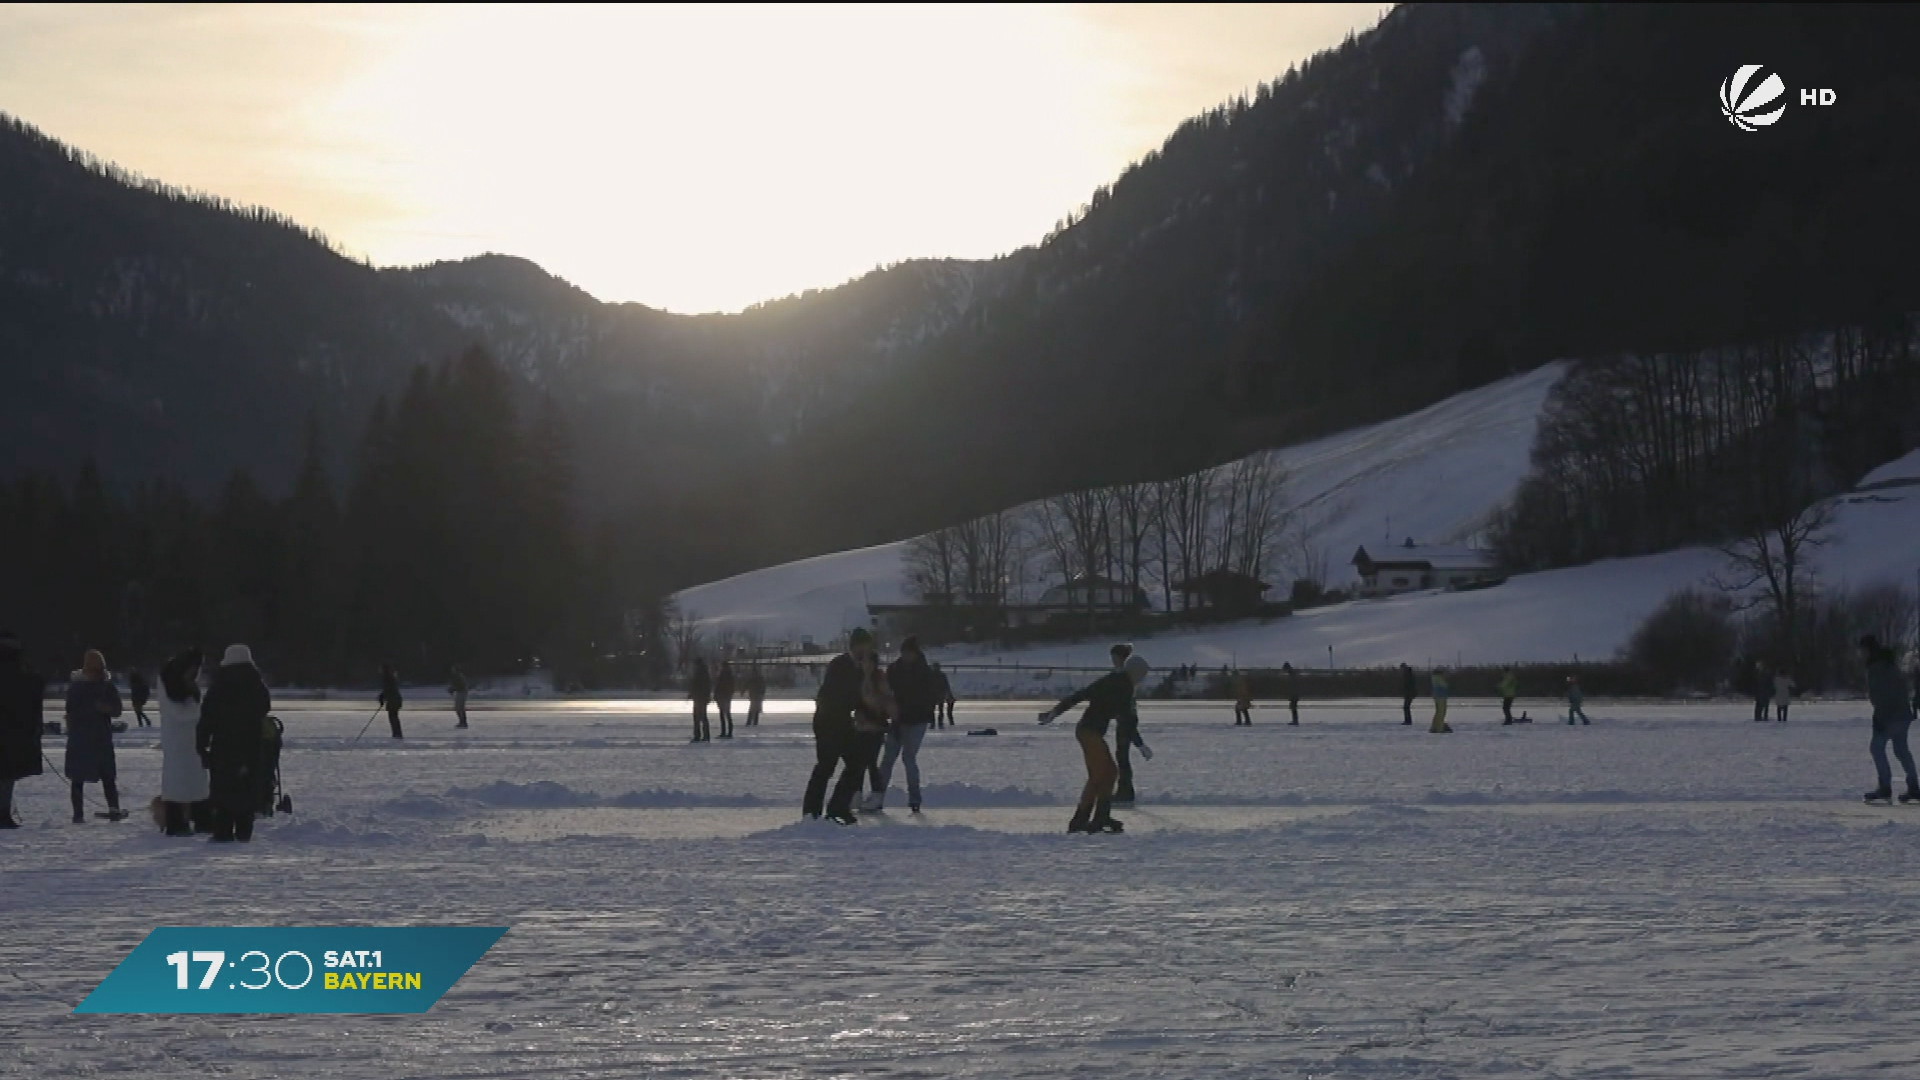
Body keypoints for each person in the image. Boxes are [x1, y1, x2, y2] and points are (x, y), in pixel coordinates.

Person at [1041, 651, 1149, 834]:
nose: (1142, 681)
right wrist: (1140, 744)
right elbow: (1126, 719)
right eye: (1142, 676)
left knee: (1110, 772)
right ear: (1136, 673)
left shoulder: (1115, 681)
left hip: (1091, 733)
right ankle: (1081, 819)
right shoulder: (1122, 686)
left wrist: (1056, 711)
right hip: (1088, 732)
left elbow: (1082, 695)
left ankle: (1101, 816)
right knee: (1100, 774)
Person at [803, 629, 885, 824]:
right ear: (855, 646)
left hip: (843, 723)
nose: (866, 650)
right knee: (826, 766)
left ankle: (838, 808)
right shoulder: (840, 665)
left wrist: (873, 718)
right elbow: (843, 696)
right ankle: (811, 812)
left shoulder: (861, 668)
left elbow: (863, 698)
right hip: (827, 722)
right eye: (863, 645)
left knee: (857, 763)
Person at [198, 644, 270, 842]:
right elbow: (265, 707)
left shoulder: (218, 686)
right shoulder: (257, 684)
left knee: (224, 788)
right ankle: (244, 829)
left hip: (224, 745)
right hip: (251, 745)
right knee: (247, 786)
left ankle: (223, 830)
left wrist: (201, 744)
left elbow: (206, 718)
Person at [875, 636, 934, 812]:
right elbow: (886, 693)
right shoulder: (894, 669)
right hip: (898, 720)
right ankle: (878, 796)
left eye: (910, 653)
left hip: (917, 721)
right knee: (887, 760)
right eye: (904, 652)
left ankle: (914, 799)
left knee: (908, 758)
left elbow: (929, 696)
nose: (907, 656)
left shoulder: (924, 671)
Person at [64, 650, 124, 822]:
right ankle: (78, 814)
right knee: (78, 777)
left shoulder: (107, 687)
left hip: (101, 738)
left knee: (108, 776)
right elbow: (70, 710)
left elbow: (118, 709)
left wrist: (107, 709)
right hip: (80, 738)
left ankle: (114, 809)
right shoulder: (76, 688)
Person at [157, 648, 211, 836]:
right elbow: (179, 713)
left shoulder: (184, 684)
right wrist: (198, 711)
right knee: (178, 781)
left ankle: (200, 817)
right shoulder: (167, 684)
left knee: (195, 779)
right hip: (177, 739)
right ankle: (177, 821)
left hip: (191, 738)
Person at [1862, 636, 1918, 803]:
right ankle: (1914, 787)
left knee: (1876, 748)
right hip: (1902, 714)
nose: (1860, 654)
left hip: (1889, 715)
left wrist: (1881, 717)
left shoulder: (1876, 668)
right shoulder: (1890, 665)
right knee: (1901, 750)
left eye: (1862, 650)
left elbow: (1880, 695)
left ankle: (1885, 787)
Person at [0, 631, 46, 829]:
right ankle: (3, 814)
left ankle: (3, 813)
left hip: (11, 731)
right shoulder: (22, 675)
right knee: (7, 776)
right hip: (13, 734)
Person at [1104, 643, 1149, 810]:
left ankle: (1126, 791)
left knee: (1122, 756)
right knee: (1121, 755)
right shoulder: (1123, 674)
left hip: (1126, 717)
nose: (1113, 661)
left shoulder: (1127, 674)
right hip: (1123, 716)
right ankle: (1124, 790)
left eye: (1115, 658)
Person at [857, 650, 896, 808]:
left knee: (870, 761)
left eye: (868, 661)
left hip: (876, 726)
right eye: (863, 661)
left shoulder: (879, 679)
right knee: (859, 761)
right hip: (862, 726)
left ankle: (877, 795)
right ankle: (857, 794)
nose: (865, 665)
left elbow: (885, 702)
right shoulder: (860, 678)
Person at [688, 659, 712, 743]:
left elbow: (697, 685)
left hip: (700, 698)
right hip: (701, 698)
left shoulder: (700, 673)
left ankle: (699, 735)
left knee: (698, 717)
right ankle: (705, 735)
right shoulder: (703, 673)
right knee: (701, 717)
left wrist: (693, 693)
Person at [378, 664, 404, 739]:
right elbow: (388, 690)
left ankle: (397, 734)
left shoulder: (387, 678)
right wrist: (382, 697)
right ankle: (397, 733)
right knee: (393, 717)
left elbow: (389, 690)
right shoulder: (389, 677)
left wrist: (382, 697)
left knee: (393, 717)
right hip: (394, 700)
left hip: (394, 701)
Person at [714, 660, 736, 739]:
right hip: (725, 697)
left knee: (724, 715)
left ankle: (725, 732)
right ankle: (727, 732)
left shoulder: (724, 675)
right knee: (726, 714)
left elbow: (719, 686)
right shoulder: (728, 675)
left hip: (723, 697)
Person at [1429, 668, 1453, 733]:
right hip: (1441, 697)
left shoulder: (1435, 678)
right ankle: (1439, 728)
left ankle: (1434, 727)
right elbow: (1444, 685)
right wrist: (1445, 679)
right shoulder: (1438, 679)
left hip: (1438, 696)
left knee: (1438, 712)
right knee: (1441, 713)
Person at [931, 662, 955, 727]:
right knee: (940, 709)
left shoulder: (931, 675)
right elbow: (946, 685)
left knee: (932, 710)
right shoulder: (942, 675)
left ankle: (933, 723)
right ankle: (939, 722)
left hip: (934, 694)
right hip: (940, 694)